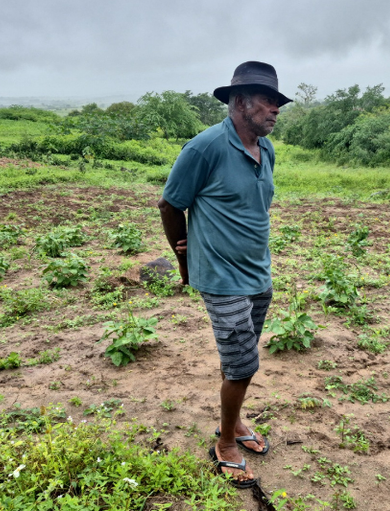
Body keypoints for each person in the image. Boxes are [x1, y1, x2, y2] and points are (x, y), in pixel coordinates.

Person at [158, 61, 292, 488]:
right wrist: (184, 260)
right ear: (239, 101)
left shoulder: (265, 149)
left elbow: (254, 206)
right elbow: (170, 204)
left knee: (240, 359)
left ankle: (233, 421)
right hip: (220, 276)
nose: (275, 109)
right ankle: (226, 442)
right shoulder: (205, 147)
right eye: (267, 100)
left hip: (258, 273)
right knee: (242, 364)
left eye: (277, 102)